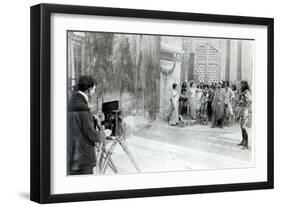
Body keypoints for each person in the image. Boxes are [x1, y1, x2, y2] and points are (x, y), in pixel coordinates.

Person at [67, 75, 105, 175]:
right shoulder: (83, 107)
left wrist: (91, 118)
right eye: (94, 89)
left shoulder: (72, 102)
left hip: (72, 158)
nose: (94, 92)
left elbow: (76, 123)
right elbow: (91, 134)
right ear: (88, 90)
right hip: (83, 161)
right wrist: (104, 134)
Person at [237, 81, 252, 150]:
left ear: (245, 85)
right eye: (241, 84)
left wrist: (246, 107)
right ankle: (243, 141)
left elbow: (250, 100)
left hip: (244, 111)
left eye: (242, 85)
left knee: (243, 127)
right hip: (241, 110)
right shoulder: (243, 92)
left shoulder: (246, 92)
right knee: (241, 126)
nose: (241, 86)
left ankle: (246, 145)